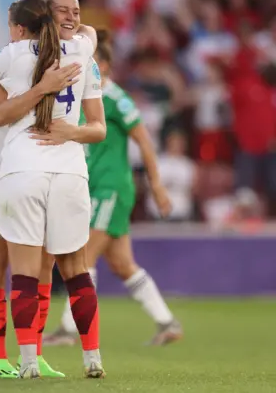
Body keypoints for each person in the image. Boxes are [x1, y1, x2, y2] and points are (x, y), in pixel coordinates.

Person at [0, 0, 106, 379]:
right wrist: (71, 128)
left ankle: (28, 360)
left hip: (20, 166)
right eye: (66, 11)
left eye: (77, 12)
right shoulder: (82, 56)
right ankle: (89, 358)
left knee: (26, 270)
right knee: (67, 269)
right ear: (47, 15)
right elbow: (99, 126)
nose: (73, 18)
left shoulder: (14, 54)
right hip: (49, 169)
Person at [43, 29, 183, 347]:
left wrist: (157, 187)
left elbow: (145, 142)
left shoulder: (115, 98)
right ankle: (167, 322)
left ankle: (67, 330)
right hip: (94, 189)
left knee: (82, 257)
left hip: (111, 189)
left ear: (103, 66)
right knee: (122, 264)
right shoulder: (79, 96)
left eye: (90, 60)